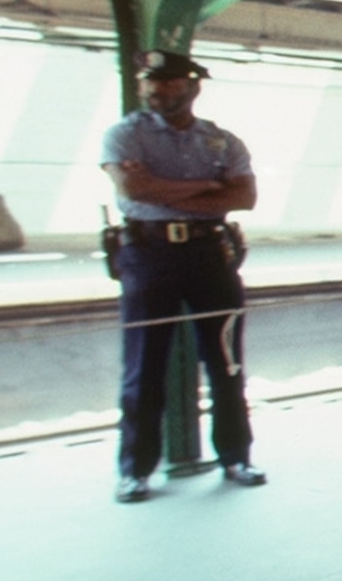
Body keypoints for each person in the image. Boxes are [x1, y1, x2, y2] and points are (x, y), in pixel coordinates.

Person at [101, 50, 264, 501]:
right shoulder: (123, 135)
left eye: (169, 81)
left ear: (193, 86)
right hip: (147, 254)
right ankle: (135, 470)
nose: (156, 89)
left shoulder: (222, 141)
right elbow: (134, 188)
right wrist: (211, 187)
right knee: (143, 367)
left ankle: (236, 456)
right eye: (150, 81)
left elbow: (246, 197)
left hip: (210, 254)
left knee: (226, 361)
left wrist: (163, 188)